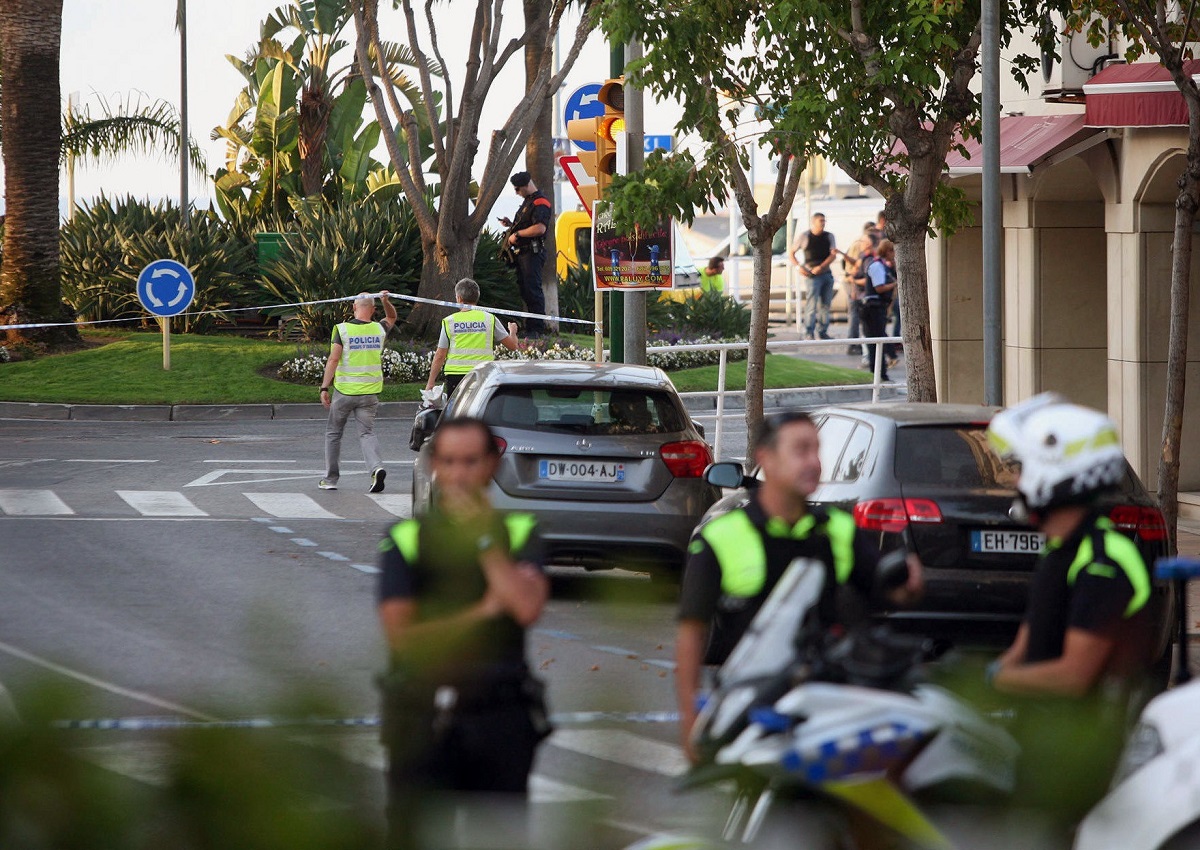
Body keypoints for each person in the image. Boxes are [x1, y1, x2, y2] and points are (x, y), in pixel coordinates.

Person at [675, 411, 923, 761]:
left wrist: (908, 586)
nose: (814, 462)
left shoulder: (837, 528)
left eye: (817, 450)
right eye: (802, 450)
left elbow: (886, 591)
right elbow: (692, 632)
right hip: (751, 703)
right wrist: (691, 720)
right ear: (767, 459)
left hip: (827, 705)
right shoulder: (721, 536)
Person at [377, 417, 551, 848]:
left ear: (492, 464)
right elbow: (404, 639)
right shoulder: (406, 539)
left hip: (499, 714)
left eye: (471, 462)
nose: (459, 475)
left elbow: (526, 607)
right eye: (449, 462)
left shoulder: (520, 532)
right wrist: (483, 611)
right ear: (434, 465)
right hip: (421, 717)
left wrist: (483, 543)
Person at [983, 393, 1159, 814]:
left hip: (1090, 758)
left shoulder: (1104, 560)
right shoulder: (1057, 553)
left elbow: (1074, 677)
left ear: (1054, 473)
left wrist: (989, 683)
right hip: (1042, 742)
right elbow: (1025, 646)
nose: (1016, 482)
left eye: (1022, 470)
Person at [318, 290, 396, 493]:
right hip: (369, 394)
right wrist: (386, 300)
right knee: (367, 433)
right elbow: (392, 317)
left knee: (334, 434)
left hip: (344, 392)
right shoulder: (379, 329)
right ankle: (376, 468)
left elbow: (334, 359)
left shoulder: (341, 330)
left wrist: (325, 386)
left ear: (353, 307)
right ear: (373, 309)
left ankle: (330, 479)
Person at [425, 277, 519, 398]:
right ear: (476, 297)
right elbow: (513, 346)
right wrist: (512, 332)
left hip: (455, 375)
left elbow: (440, 355)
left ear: (459, 298)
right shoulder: (489, 319)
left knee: (456, 413)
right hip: (483, 373)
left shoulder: (449, 321)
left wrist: (430, 382)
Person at [498, 171, 552, 336]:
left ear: (527, 185)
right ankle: (530, 327)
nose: (516, 193)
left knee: (533, 290)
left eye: (517, 189)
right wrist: (511, 225)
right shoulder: (529, 201)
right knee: (526, 290)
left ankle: (536, 329)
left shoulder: (540, 202)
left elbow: (540, 228)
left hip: (532, 253)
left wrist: (518, 235)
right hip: (523, 254)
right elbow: (527, 223)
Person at [788, 212, 838, 340]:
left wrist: (821, 267)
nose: (823, 223)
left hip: (826, 273)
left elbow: (833, 254)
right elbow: (791, 253)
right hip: (812, 275)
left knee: (825, 305)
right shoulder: (805, 236)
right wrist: (799, 267)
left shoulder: (829, 236)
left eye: (824, 220)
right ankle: (809, 331)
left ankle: (823, 331)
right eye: (820, 220)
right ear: (813, 222)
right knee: (811, 304)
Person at [861, 239, 897, 381]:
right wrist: (894, 284)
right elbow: (879, 287)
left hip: (878, 308)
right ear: (887, 251)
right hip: (872, 308)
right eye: (893, 251)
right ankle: (878, 374)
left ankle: (880, 373)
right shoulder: (877, 266)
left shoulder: (884, 266)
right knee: (876, 342)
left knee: (879, 341)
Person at [842, 222, 878, 358]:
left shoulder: (868, 257)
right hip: (859, 291)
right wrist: (854, 284)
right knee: (857, 317)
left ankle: (866, 350)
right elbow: (854, 272)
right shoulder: (863, 254)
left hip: (862, 291)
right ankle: (855, 345)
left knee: (863, 321)